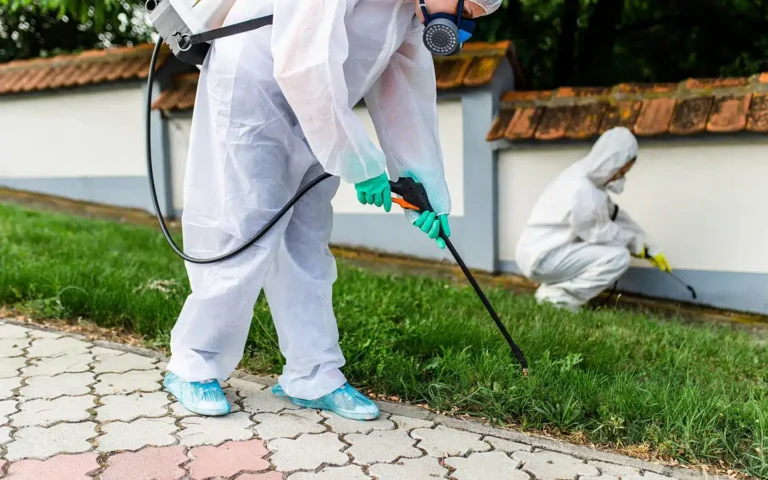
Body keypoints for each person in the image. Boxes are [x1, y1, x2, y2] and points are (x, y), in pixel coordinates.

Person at [163, 0, 503, 420]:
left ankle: (313, 373)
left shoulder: (410, 15)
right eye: (465, 11)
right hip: (256, 90)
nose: (461, 26)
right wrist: (358, 162)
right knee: (245, 227)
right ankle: (194, 361)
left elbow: (404, 100)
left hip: (320, 112)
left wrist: (426, 191)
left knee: (307, 239)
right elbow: (304, 61)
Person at [514, 127, 672, 312]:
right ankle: (557, 299)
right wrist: (634, 244)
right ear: (611, 163)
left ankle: (553, 292)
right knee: (618, 257)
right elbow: (599, 234)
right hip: (543, 258)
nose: (620, 177)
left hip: (542, 252)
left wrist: (648, 244)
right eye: (620, 172)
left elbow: (615, 215)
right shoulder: (582, 190)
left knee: (613, 250)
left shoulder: (586, 179)